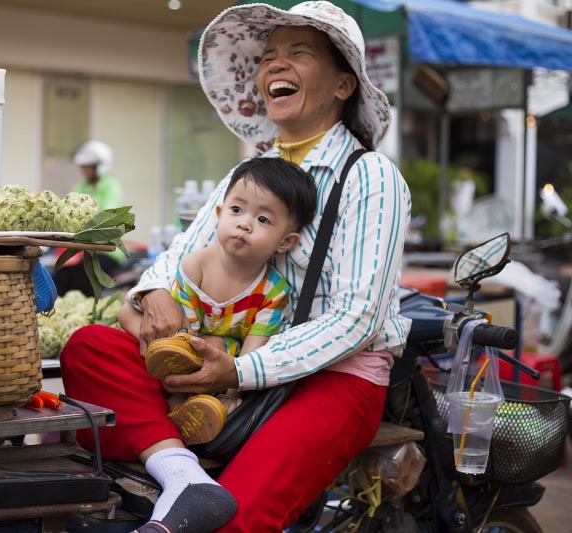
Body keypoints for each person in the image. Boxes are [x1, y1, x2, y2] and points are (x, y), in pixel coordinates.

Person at [60, 2, 411, 532]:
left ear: (343, 86)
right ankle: (184, 478)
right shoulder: (249, 172)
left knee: (237, 519)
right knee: (88, 348)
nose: (275, 65)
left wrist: (242, 371)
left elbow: (357, 319)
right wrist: (155, 292)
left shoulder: (371, 178)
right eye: (268, 56)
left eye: (298, 53)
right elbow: (185, 251)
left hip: (334, 376)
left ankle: (195, 500)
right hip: (225, 354)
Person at [118, 157, 316, 446]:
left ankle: (194, 408)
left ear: (285, 242)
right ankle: (176, 392)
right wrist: (182, 345)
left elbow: (253, 347)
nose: (244, 224)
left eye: (263, 220)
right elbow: (181, 322)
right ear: (220, 214)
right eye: (237, 210)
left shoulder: (274, 291)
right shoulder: (195, 264)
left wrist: (233, 391)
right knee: (126, 313)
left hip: (223, 355)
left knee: (215, 348)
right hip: (182, 336)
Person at [52, 140, 127, 296]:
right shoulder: (82, 186)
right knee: (61, 272)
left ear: (100, 166)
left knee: (84, 272)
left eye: (87, 166)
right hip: (81, 248)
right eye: (82, 167)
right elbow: (68, 205)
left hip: (106, 251)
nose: (83, 170)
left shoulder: (111, 185)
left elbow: (109, 214)